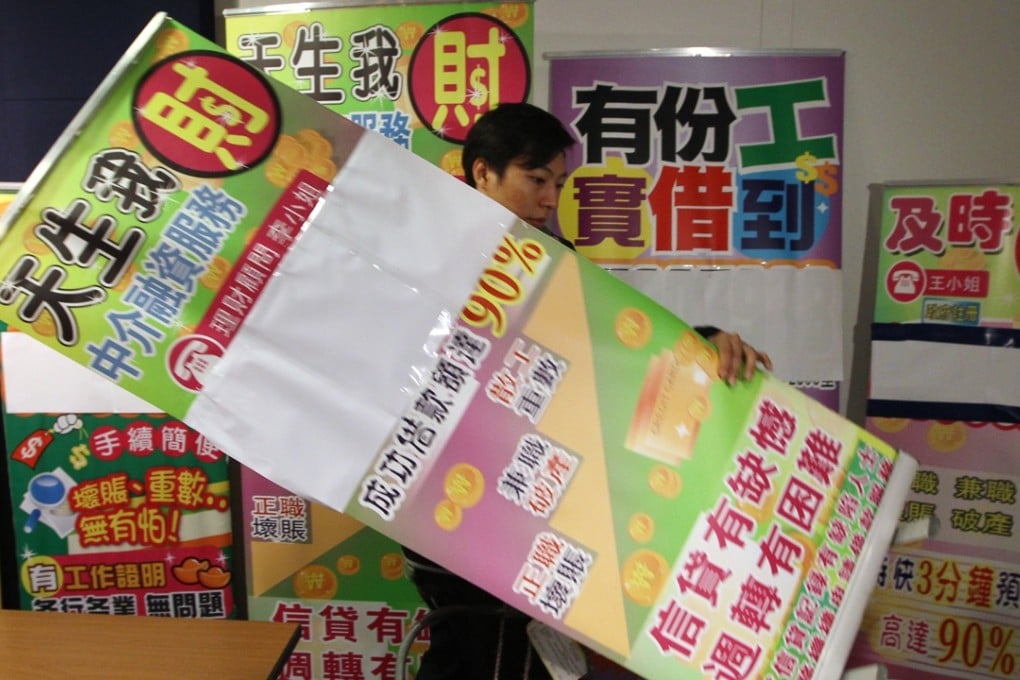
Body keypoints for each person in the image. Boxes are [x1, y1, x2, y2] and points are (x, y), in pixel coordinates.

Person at [403, 102, 771, 679]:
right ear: (482, 173)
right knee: (472, 637)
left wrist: (705, 346)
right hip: (443, 491)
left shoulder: (559, 262)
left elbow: (618, 352)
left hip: (539, 484)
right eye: (537, 180)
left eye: (559, 182)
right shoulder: (423, 258)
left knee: (531, 643)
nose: (551, 198)